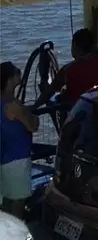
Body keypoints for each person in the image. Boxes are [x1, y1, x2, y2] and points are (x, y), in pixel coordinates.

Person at [38, 26, 98, 118]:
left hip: (77, 111)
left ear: (74, 45)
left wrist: (34, 106)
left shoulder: (68, 69)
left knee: (49, 91)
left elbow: (50, 91)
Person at [1, 62, 37, 217]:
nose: (19, 73)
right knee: (17, 205)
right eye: (16, 72)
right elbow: (32, 125)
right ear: (9, 80)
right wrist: (29, 115)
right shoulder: (12, 106)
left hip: (4, 159)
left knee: (7, 201)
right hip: (17, 160)